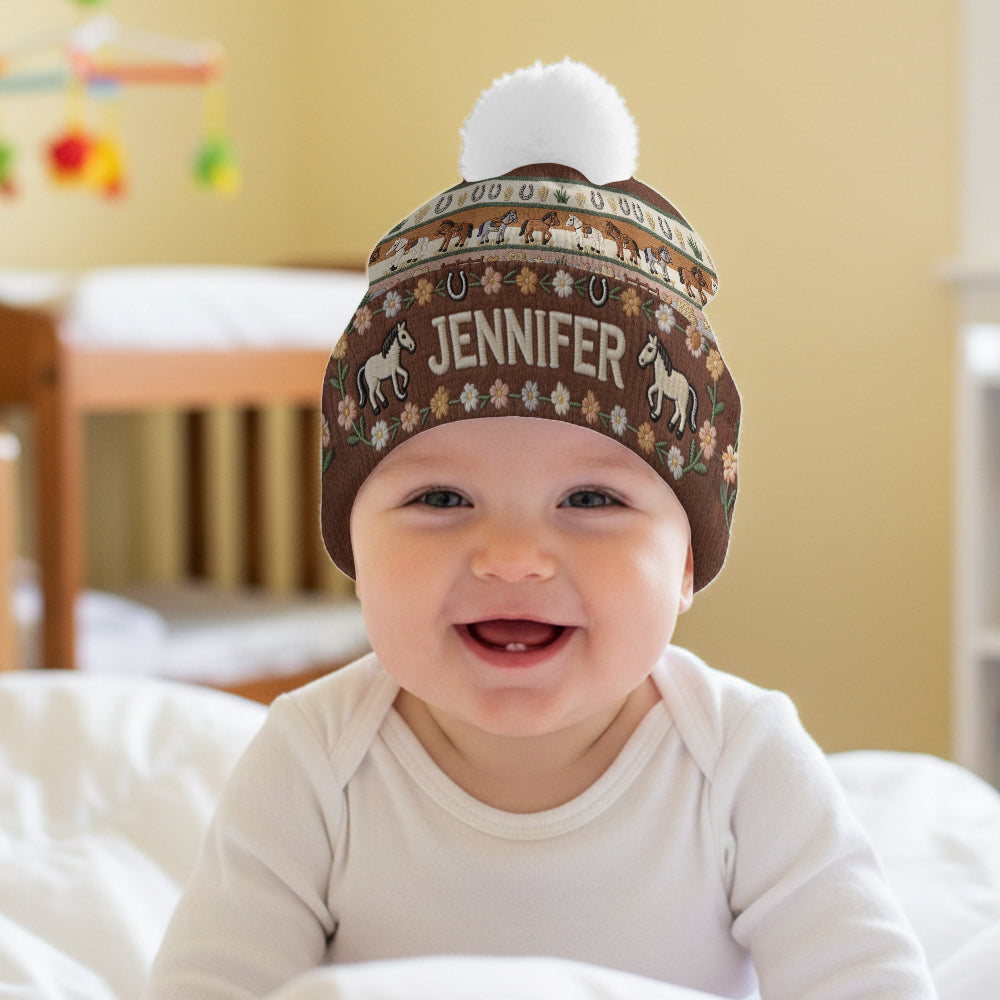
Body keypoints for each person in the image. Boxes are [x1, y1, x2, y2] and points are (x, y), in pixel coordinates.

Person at [144, 61, 936, 1000]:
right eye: (440, 500)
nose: (512, 558)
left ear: (687, 562)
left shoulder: (741, 762)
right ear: (353, 547)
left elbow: (868, 981)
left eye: (591, 502)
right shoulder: (314, 761)